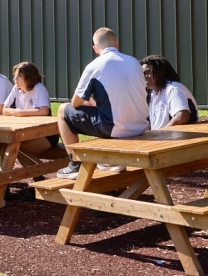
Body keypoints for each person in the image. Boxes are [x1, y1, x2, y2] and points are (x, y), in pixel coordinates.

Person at [56, 27, 149, 178]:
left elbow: (75, 103)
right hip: (140, 126)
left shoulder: (95, 66)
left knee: (62, 110)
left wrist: (89, 101)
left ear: (95, 48)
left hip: (115, 128)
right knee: (104, 110)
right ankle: (111, 162)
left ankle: (75, 164)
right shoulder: (134, 62)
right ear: (116, 43)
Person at [2, 61, 67, 165]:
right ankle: (36, 171)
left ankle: (38, 170)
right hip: (26, 132)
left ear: (28, 77)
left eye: (19, 76)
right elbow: (4, 109)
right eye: (15, 76)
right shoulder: (16, 89)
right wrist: (15, 112)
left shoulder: (39, 88)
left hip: (46, 134)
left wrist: (20, 113)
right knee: (7, 146)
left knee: (16, 148)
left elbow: (44, 111)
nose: (15, 79)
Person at [140, 54, 199, 129]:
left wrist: (161, 133)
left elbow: (182, 116)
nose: (144, 76)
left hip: (181, 135)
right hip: (164, 135)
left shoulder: (173, 88)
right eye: (143, 73)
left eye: (147, 72)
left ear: (160, 71)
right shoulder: (153, 93)